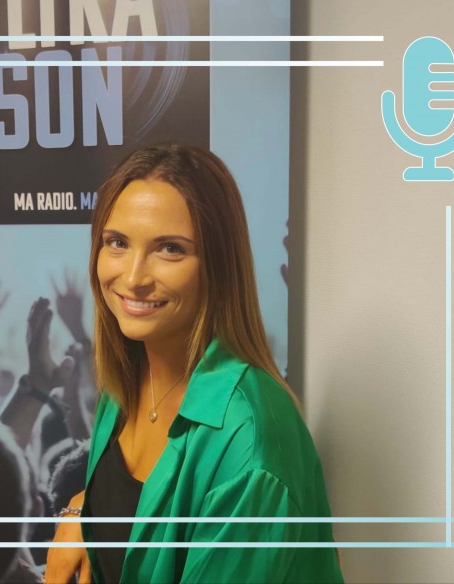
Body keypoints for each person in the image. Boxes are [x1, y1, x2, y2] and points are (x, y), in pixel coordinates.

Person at [44, 144, 344, 583]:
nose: (133, 278)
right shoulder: (128, 375)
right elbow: (138, 502)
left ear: (218, 266)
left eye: (170, 249)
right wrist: (80, 511)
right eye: (117, 243)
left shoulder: (249, 445)